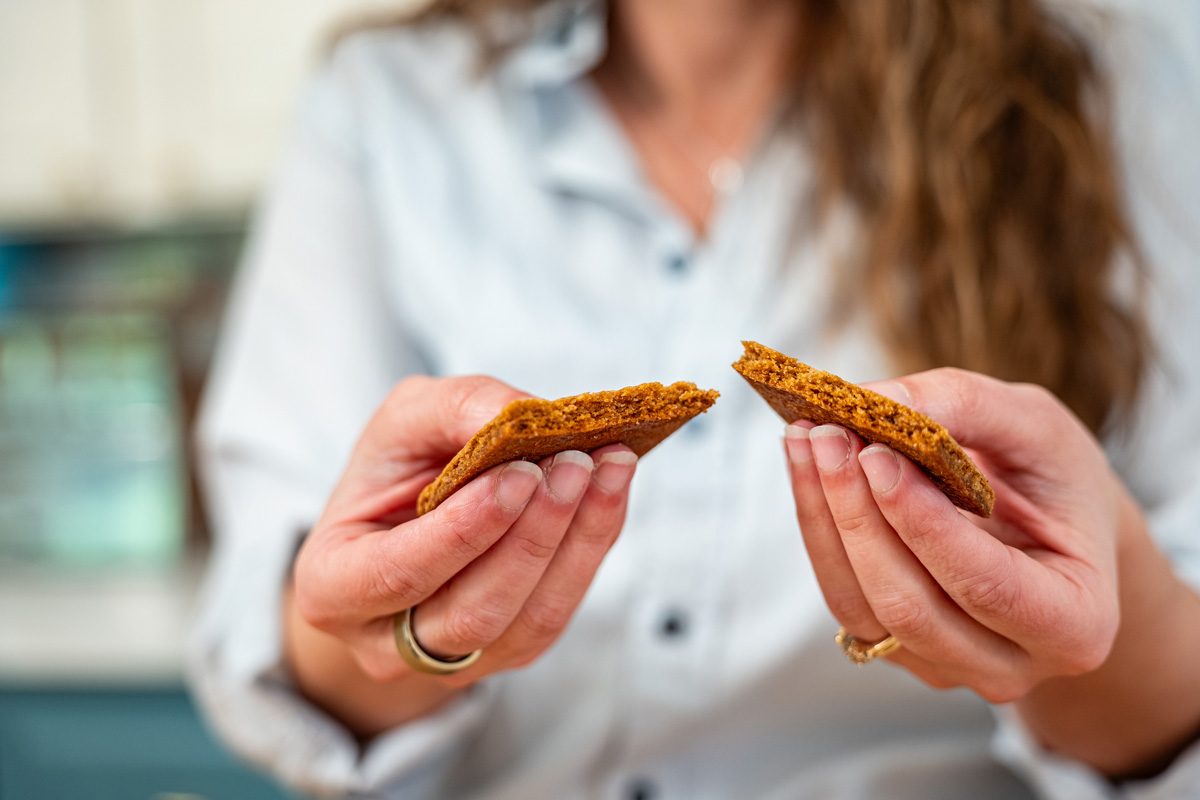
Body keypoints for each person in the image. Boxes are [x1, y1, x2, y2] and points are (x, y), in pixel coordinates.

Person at [190, 0, 1200, 797]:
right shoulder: (389, 104)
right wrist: (407, 624)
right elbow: (294, 676)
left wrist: (1078, 593)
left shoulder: (1108, 86)